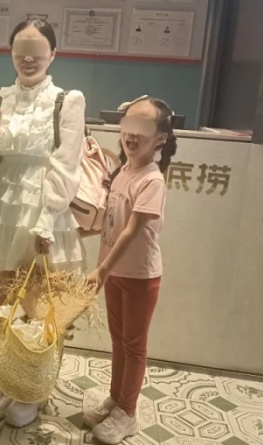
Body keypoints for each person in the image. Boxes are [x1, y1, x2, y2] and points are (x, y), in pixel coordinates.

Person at [0, 19, 87, 427]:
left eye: (37, 51)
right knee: (6, 301)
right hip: (3, 207)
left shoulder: (66, 100)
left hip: (42, 208)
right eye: (21, 51)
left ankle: (32, 389)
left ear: (53, 53)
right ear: (11, 53)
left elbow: (67, 163)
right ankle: (8, 378)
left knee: (39, 304)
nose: (29, 59)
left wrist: (48, 219)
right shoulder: (0, 98)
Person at [83, 97, 177, 444]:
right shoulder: (122, 172)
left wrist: (102, 269)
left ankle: (129, 412)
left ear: (160, 139)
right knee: (118, 341)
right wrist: (77, 233)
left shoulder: (152, 180)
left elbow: (132, 231)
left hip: (139, 277)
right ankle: (116, 400)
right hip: (114, 273)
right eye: (128, 127)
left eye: (142, 129)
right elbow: (110, 221)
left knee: (134, 345)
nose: (132, 135)